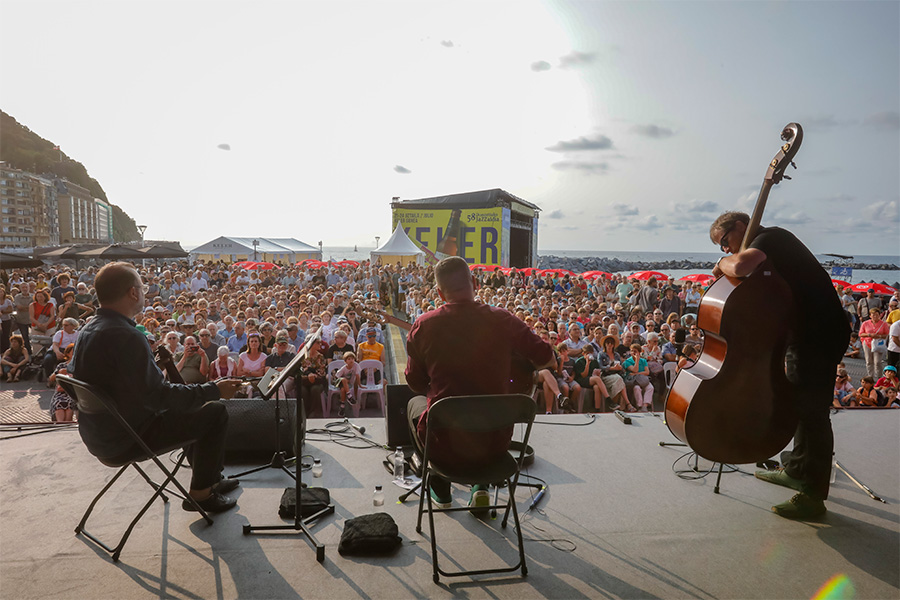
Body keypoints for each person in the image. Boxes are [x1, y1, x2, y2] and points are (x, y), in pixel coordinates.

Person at [69, 262, 243, 514]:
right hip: (128, 437)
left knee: (191, 407)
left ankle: (211, 478)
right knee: (214, 411)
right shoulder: (126, 336)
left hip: (100, 435)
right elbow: (161, 398)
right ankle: (202, 494)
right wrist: (215, 389)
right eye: (142, 286)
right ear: (132, 293)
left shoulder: (88, 329)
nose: (144, 290)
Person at [711, 211, 850, 519]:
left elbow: (741, 265)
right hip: (808, 334)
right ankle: (797, 468)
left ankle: (813, 495)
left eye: (724, 241)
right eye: (721, 248)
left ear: (740, 227)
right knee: (801, 405)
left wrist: (723, 265)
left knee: (813, 412)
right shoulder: (770, 247)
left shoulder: (771, 238)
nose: (725, 250)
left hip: (819, 335)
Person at [405, 257, 554, 513]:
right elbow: (548, 358)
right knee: (485, 413)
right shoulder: (503, 319)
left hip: (444, 445)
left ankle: (440, 486)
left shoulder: (424, 325)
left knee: (413, 405)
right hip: (494, 445)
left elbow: (415, 383)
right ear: (474, 282)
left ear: (439, 293)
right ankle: (481, 486)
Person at [859, 308, 889, 379]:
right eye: (873, 315)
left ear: (880, 315)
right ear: (870, 316)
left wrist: (879, 336)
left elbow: (887, 334)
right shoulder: (865, 323)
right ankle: (870, 377)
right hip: (867, 343)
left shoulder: (883, 324)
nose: (875, 316)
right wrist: (869, 335)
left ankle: (879, 377)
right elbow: (860, 334)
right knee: (869, 361)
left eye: (877, 315)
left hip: (878, 344)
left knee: (877, 362)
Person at [333, 350, 361, 418]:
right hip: (338, 382)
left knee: (343, 390)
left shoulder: (356, 365)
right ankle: (349, 396)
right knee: (344, 379)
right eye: (349, 359)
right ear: (345, 361)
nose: (351, 360)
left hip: (347, 385)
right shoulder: (344, 368)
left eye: (352, 359)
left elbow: (357, 375)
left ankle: (342, 406)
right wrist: (344, 380)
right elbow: (336, 376)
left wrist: (359, 384)